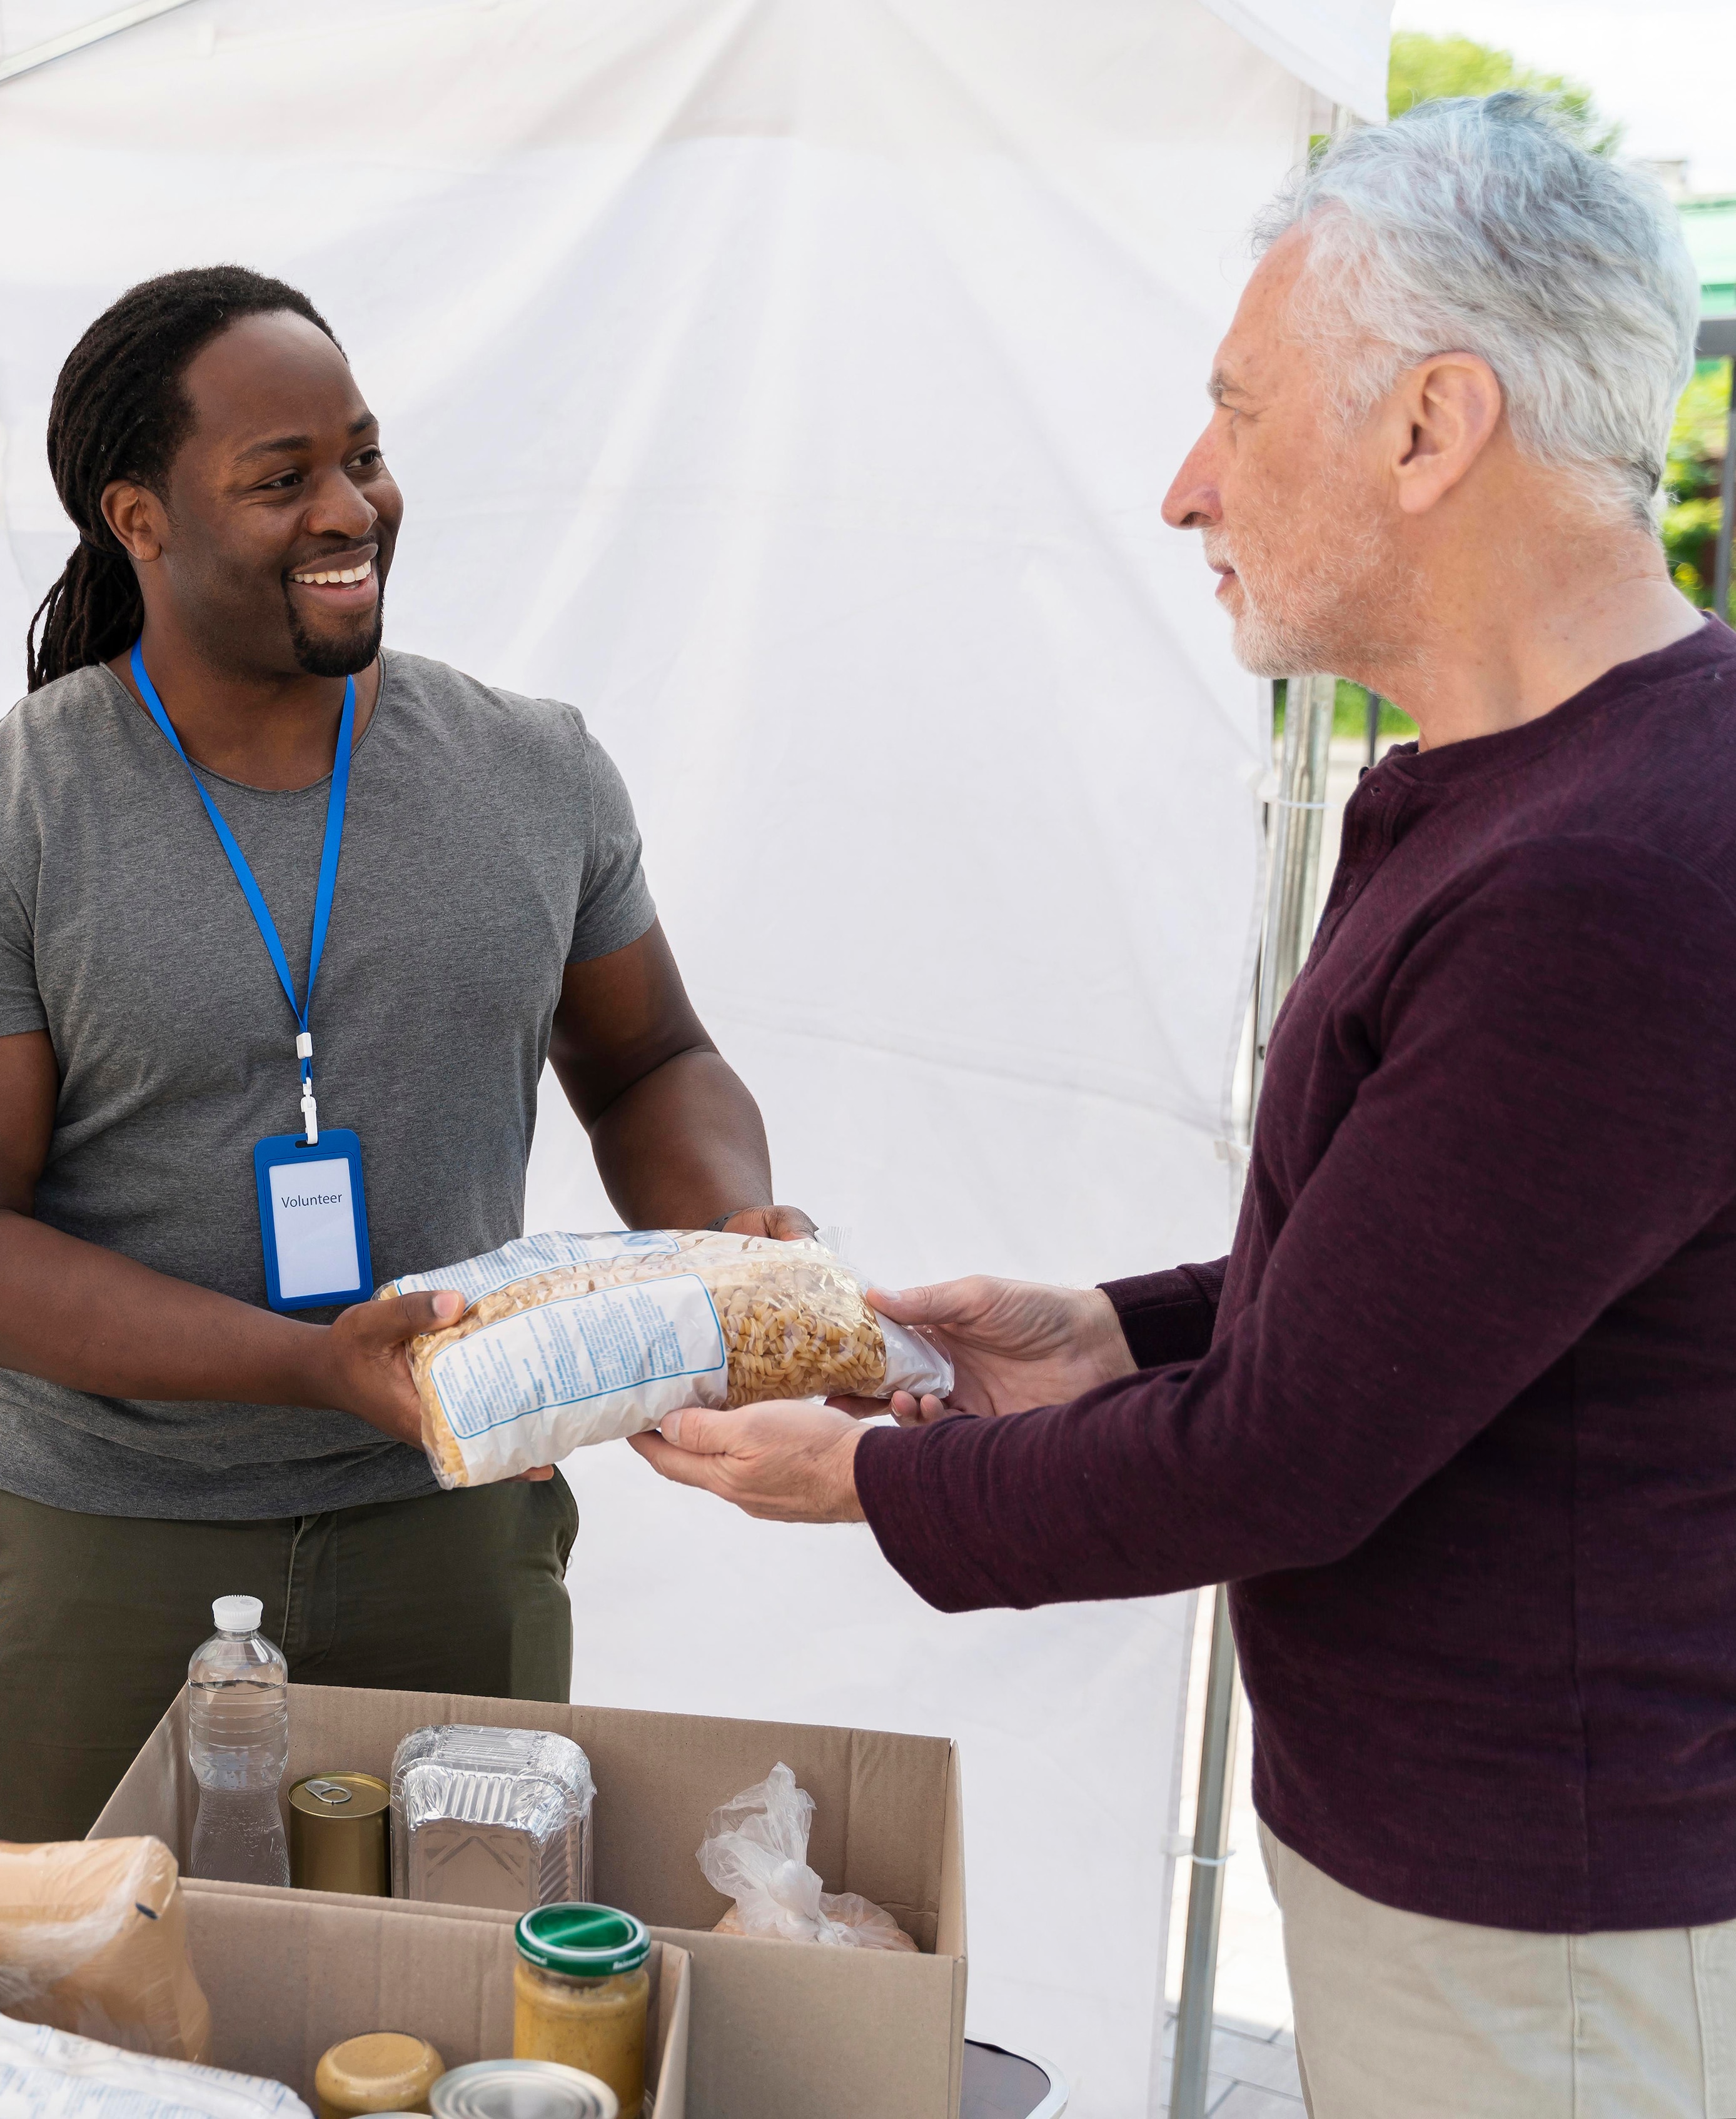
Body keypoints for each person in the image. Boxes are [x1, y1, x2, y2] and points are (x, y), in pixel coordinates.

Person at [633, 97, 1732, 2118]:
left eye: (1239, 408)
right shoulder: (1574, 793)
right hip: (1482, 1861)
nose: (1183, 485)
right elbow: (1442, 1277)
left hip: (1542, 1907)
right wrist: (1118, 1328)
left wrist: (863, 1481)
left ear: (1430, 428)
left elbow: (1295, 1456)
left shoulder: (1615, 874)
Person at [0, 266, 809, 1864]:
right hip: (88, 1543)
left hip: (448, 1521)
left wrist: (732, 1238)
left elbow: (652, 1061)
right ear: (136, 517)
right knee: (61, 2038)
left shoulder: (531, 769)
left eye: (360, 457)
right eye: (281, 478)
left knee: (439, 2021)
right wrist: (305, 1363)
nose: (349, 509)